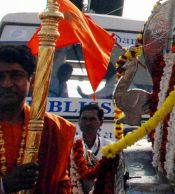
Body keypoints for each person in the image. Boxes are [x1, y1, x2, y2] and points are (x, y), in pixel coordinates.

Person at [0, 45, 76, 193]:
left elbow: (62, 183)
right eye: (0, 77)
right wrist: (3, 185)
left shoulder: (55, 128)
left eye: (16, 75)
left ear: (32, 80)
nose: (7, 84)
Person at [71, 103, 113, 193]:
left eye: (92, 119)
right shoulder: (69, 144)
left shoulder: (109, 147)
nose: (87, 123)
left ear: (101, 122)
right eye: (84, 119)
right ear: (79, 121)